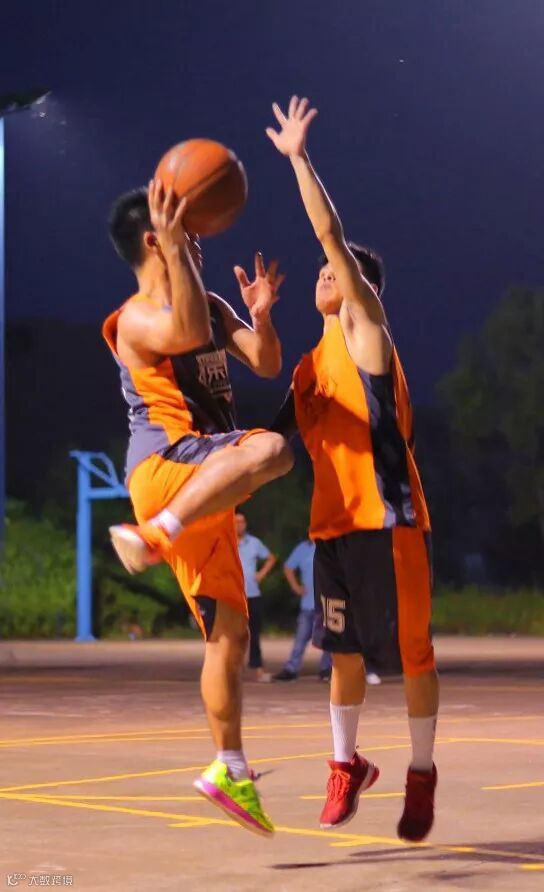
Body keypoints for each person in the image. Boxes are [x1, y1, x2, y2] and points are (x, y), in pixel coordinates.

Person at [267, 96, 439, 842]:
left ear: (358, 286)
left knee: (411, 655)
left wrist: (299, 159)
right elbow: (271, 443)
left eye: (331, 273)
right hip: (333, 530)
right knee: (340, 654)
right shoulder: (309, 366)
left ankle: (421, 774)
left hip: (388, 517)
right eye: (321, 273)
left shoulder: (366, 331)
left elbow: (330, 235)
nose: (322, 276)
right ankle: (346, 765)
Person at [103, 179, 293, 836]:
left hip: (205, 481)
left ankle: (228, 769)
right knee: (273, 449)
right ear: (155, 240)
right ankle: (155, 533)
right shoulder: (136, 317)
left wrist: (260, 316)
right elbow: (181, 330)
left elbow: (266, 362)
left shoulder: (210, 305)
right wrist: (176, 245)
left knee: (230, 634)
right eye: (187, 231)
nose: (201, 240)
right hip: (169, 466)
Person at [273, 538, 332, 682]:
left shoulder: (331, 545)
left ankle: (326, 669)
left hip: (327, 603)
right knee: (300, 638)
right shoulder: (303, 548)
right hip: (308, 604)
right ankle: (291, 669)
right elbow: (288, 567)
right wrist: (295, 587)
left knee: (329, 639)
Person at [235, 512, 276, 682]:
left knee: (254, 634)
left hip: (252, 593)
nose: (239, 525)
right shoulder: (226, 542)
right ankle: (233, 669)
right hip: (233, 596)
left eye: (242, 521)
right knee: (234, 635)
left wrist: (261, 574)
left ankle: (257, 668)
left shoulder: (254, 542)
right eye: (236, 522)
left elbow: (271, 558)